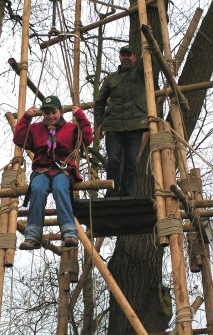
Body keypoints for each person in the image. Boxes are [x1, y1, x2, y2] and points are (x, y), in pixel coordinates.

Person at [13, 95, 93, 250]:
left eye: (54, 113)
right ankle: (32, 235)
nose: (50, 116)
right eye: (47, 113)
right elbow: (19, 139)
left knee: (60, 188)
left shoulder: (70, 128)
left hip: (62, 170)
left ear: (61, 112)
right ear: (42, 114)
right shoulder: (36, 129)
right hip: (42, 170)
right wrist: (26, 118)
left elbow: (87, 139)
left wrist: (81, 117)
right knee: (37, 189)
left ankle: (69, 232)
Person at [94, 45, 149, 197]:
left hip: (135, 124)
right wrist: (99, 122)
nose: (125, 58)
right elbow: (99, 101)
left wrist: (148, 43)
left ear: (134, 58)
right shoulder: (112, 78)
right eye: (123, 55)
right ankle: (112, 192)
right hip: (113, 124)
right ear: (119, 57)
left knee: (131, 162)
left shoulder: (141, 73)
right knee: (113, 160)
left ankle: (126, 194)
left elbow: (148, 60)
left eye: (129, 55)